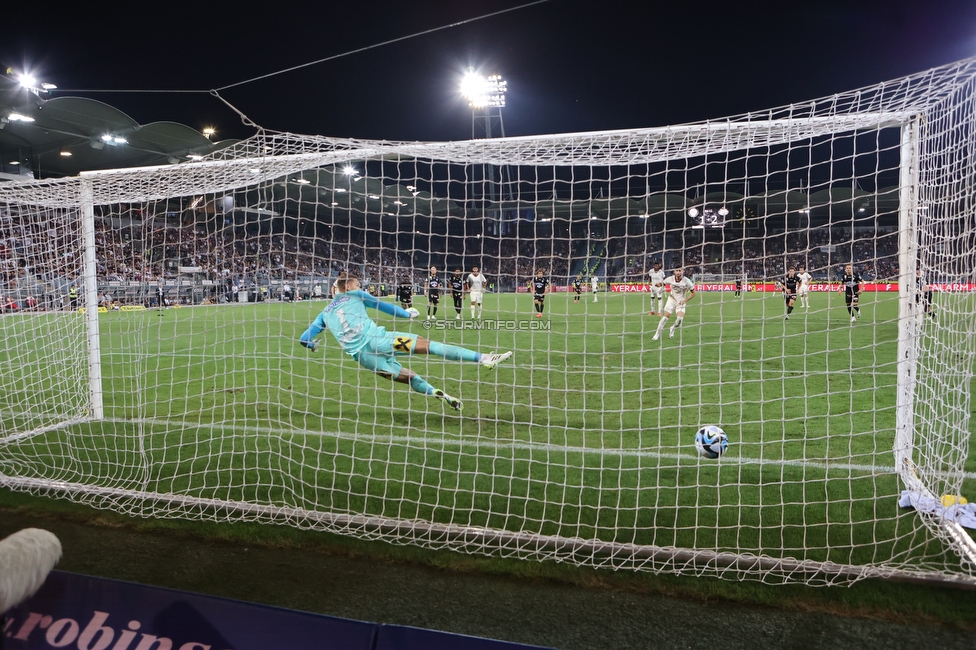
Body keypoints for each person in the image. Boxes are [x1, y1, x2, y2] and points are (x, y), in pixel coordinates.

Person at [299, 272, 512, 411]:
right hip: (378, 340)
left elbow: (304, 339)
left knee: (408, 377)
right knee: (429, 346)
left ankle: (438, 393)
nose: (359, 286)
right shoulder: (356, 294)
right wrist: (406, 314)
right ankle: (484, 358)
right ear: (348, 287)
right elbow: (385, 307)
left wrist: (312, 345)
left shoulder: (324, 313)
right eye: (356, 284)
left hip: (364, 359)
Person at [652, 267, 696, 341]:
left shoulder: (687, 281)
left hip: (681, 301)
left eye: (680, 271)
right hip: (671, 299)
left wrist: (685, 300)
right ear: (674, 272)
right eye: (677, 270)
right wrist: (658, 285)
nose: (678, 272)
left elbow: (694, 293)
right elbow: (663, 283)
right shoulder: (670, 279)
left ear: (682, 271)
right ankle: (657, 334)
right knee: (665, 317)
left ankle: (672, 328)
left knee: (679, 319)